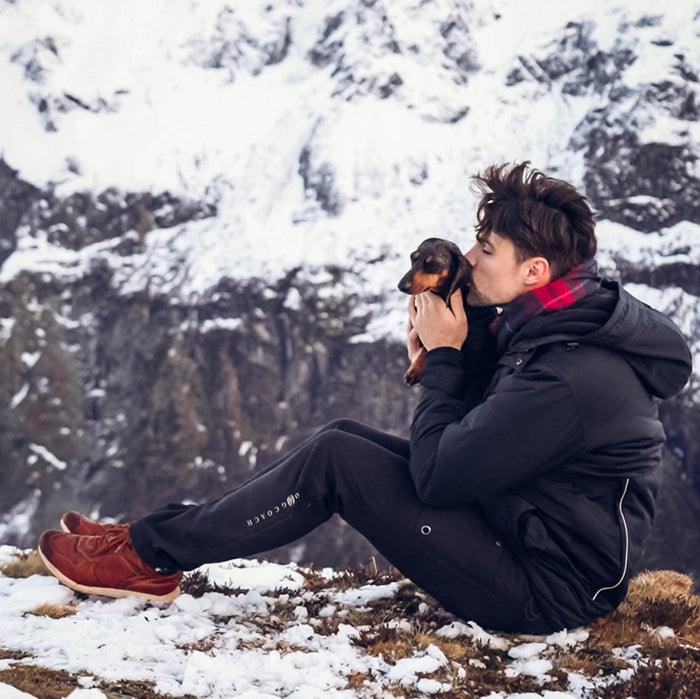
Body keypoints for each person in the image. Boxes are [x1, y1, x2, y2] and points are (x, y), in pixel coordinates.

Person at [38, 162, 692, 633]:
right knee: (341, 437)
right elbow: (487, 433)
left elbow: (438, 475)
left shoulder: (569, 375)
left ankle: (147, 557)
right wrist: (452, 353)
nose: (468, 256)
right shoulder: (553, 323)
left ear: (534, 272)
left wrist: (443, 360)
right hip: (517, 528)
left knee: (337, 463)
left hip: (544, 591)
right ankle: (152, 537)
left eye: (485, 247)